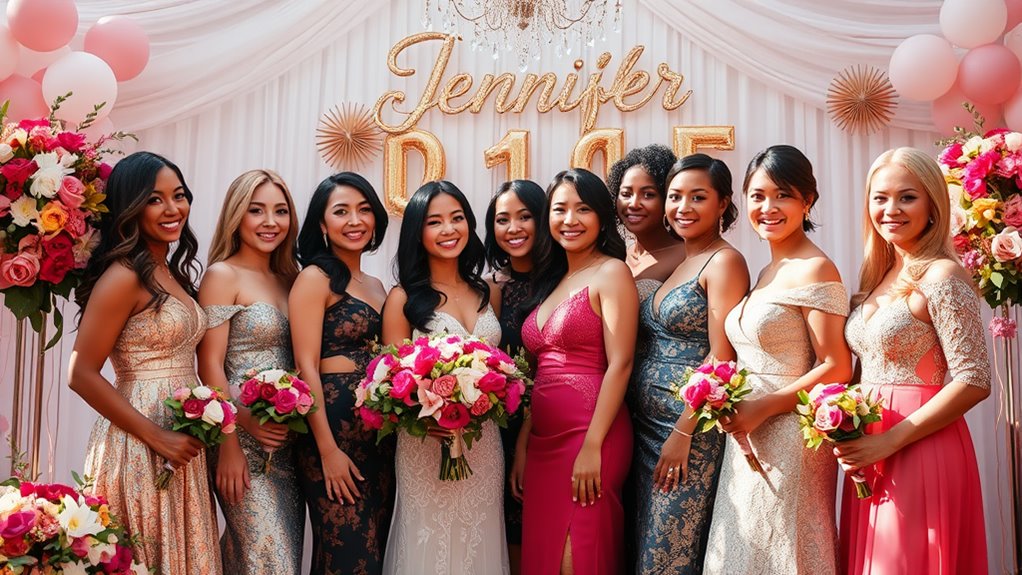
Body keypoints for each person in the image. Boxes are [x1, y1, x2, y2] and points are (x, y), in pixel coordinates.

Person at [836, 148, 990, 574]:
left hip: (920, 445)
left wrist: (891, 439)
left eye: (907, 197)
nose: (891, 209)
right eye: (879, 198)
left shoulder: (942, 276)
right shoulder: (876, 278)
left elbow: (975, 379)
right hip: (870, 450)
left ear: (933, 205)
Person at [704, 145, 852, 574]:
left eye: (782, 195)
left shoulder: (815, 268)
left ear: (807, 201)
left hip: (791, 438)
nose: (767, 207)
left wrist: (762, 407)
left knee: (784, 550)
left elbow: (836, 365)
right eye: (757, 195)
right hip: (748, 434)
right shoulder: (766, 269)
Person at [71, 151, 220, 574]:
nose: (173, 209)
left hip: (180, 446)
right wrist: (157, 436)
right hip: (138, 442)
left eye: (180, 196)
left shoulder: (170, 272)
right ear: (131, 207)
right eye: (156, 199)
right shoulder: (123, 276)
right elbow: (80, 374)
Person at [381, 181, 508, 575]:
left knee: (478, 536)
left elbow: (501, 370)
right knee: (427, 540)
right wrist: (423, 418)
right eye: (435, 221)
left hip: (483, 441)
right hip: (425, 440)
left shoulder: (489, 291)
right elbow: (390, 381)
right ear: (418, 232)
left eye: (457, 218)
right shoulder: (403, 298)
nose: (449, 229)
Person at [630, 154, 749, 574]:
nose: (683, 207)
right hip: (646, 431)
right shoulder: (684, 260)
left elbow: (722, 357)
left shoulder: (725, 262)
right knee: (644, 546)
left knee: (667, 554)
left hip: (688, 433)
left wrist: (683, 431)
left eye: (698, 197)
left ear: (723, 204)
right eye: (676, 196)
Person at [517, 168, 637, 575]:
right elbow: (538, 375)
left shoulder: (612, 272)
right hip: (542, 441)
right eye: (560, 209)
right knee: (544, 555)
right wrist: (522, 444)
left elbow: (620, 363)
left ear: (602, 217)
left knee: (578, 554)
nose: (570, 220)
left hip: (592, 434)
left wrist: (593, 445)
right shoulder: (552, 281)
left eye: (582, 209)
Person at [196, 169, 303, 574]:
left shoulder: (292, 278)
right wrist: (230, 443)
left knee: (271, 556)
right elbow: (208, 363)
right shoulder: (223, 275)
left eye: (280, 211)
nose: (270, 221)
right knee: (269, 559)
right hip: (239, 440)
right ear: (236, 216)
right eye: (256, 210)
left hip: (288, 443)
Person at [290, 173, 395, 574]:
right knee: (346, 556)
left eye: (364, 209)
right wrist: (327, 450)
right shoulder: (314, 279)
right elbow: (305, 368)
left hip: (376, 433)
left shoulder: (377, 285)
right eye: (341, 211)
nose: (355, 220)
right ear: (322, 224)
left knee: (373, 552)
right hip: (332, 431)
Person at [483, 179, 546, 575]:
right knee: (507, 531)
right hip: (497, 425)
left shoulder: (562, 282)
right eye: (503, 219)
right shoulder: (491, 288)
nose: (514, 228)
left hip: (549, 420)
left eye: (525, 216)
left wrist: (526, 436)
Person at [607, 144, 684, 294]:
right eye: (626, 194)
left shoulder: (686, 256)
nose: (634, 204)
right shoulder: (618, 254)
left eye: (648, 194)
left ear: (667, 198)